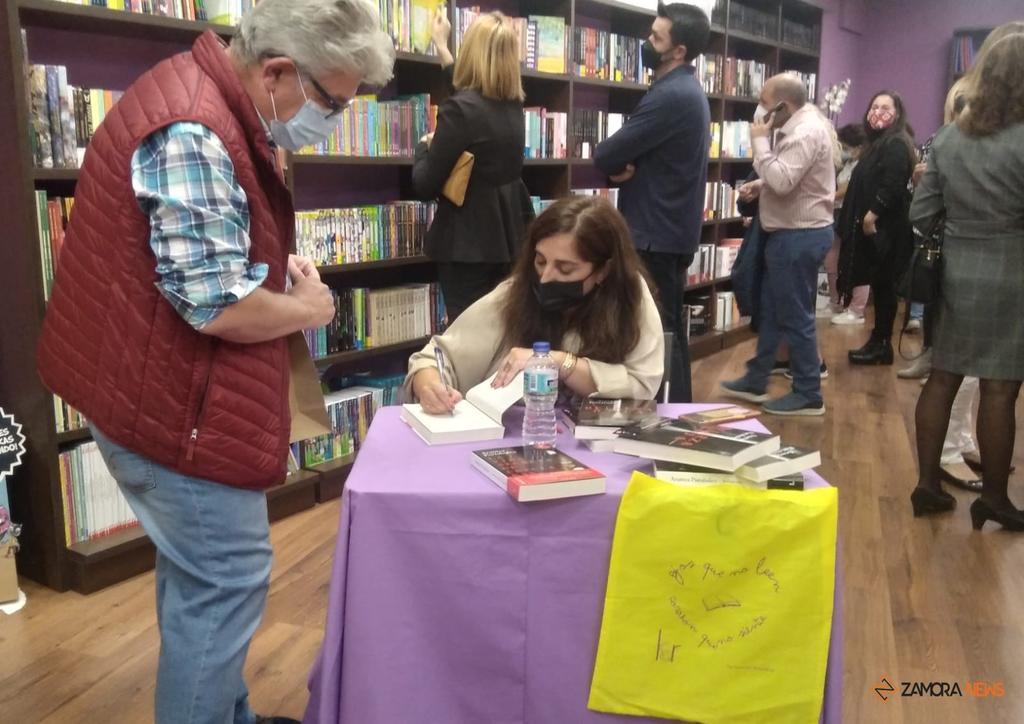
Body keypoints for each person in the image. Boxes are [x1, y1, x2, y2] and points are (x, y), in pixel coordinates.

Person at [35, 2, 395, 722]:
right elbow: (216, 307)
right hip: (170, 409)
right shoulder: (196, 129)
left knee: (201, 578)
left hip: (156, 391)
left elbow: (200, 259)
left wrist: (269, 267)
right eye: (333, 103)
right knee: (226, 579)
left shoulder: (201, 95)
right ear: (278, 73)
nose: (333, 120)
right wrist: (307, 310)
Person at [909, 30, 1024, 528]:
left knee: (943, 377)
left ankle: (926, 486)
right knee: (1000, 389)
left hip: (955, 271)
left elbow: (920, 212)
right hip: (1013, 273)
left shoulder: (950, 137)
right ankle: (994, 499)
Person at [406, 196, 664, 411]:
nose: (546, 277)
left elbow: (642, 387)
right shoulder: (516, 292)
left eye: (565, 268)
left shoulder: (630, 298)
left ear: (603, 271)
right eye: (540, 261)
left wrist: (558, 362)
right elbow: (434, 358)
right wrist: (429, 386)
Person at [592, 2, 711, 403]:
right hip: (668, 229)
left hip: (654, 234)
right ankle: (675, 412)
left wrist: (620, 166)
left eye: (656, 38)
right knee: (665, 330)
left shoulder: (672, 95)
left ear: (679, 51)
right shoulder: (684, 90)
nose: (647, 42)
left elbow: (607, 153)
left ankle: (672, 416)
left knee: (660, 332)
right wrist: (626, 167)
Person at [720, 74, 836, 416]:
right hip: (789, 233)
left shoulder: (805, 132)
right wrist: (761, 184)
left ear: (783, 106)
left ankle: (808, 393)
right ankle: (756, 378)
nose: (759, 109)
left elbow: (784, 181)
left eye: (764, 102)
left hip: (798, 236)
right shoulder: (800, 125)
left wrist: (759, 143)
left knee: (795, 315)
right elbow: (794, 176)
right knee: (771, 309)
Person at [412, 10, 533, 322]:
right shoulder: (513, 108)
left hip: (466, 246)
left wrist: (423, 147)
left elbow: (424, 185)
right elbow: (470, 105)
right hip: (508, 237)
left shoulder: (461, 110)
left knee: (468, 337)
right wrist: (443, 50)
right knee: (501, 330)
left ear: (471, 52)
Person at [837, 90, 917, 365]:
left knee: (885, 286)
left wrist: (872, 215)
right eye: (874, 106)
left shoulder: (896, 143)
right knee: (881, 286)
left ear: (897, 112)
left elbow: (893, 182)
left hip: (886, 229)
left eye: (885, 107)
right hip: (877, 227)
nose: (878, 112)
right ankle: (878, 341)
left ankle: (881, 344)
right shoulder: (877, 143)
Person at [827, 123, 870, 325]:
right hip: (837, 214)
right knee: (832, 259)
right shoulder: (848, 164)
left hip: (852, 215)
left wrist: (826, 197)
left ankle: (856, 309)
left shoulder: (863, 166)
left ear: (859, 146)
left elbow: (847, 189)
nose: (843, 151)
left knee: (856, 261)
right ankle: (836, 302)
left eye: (846, 147)